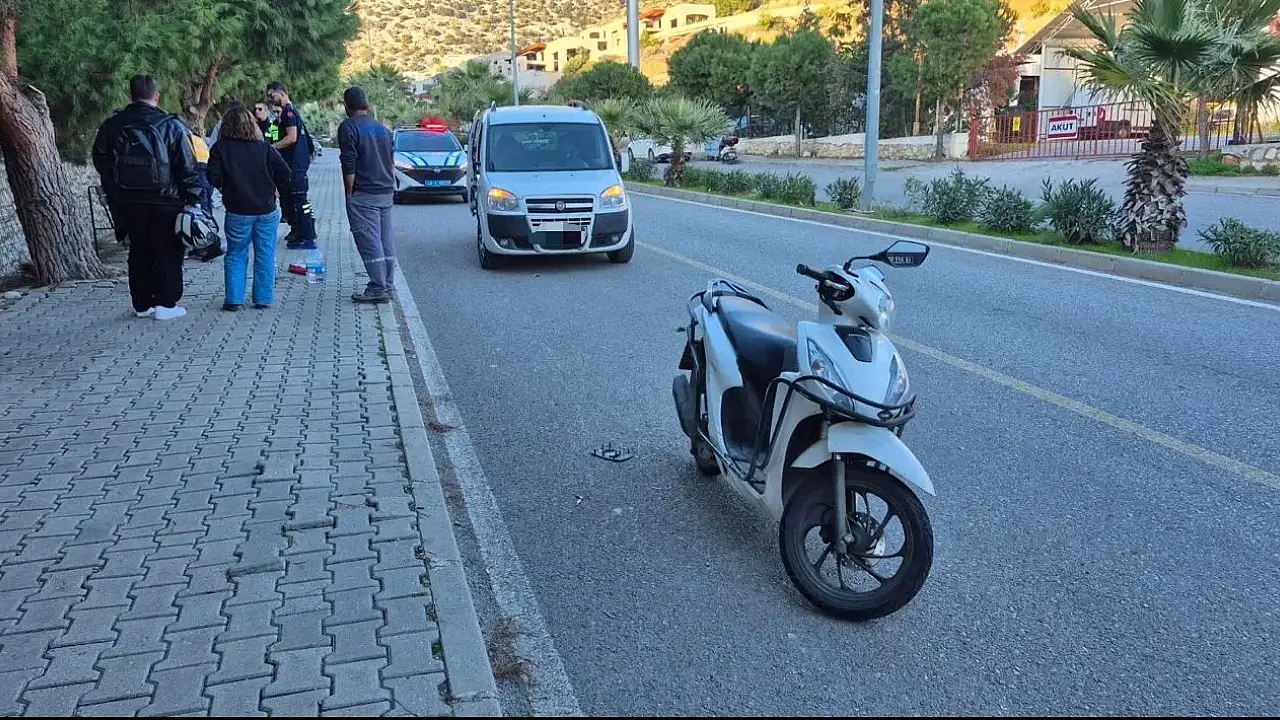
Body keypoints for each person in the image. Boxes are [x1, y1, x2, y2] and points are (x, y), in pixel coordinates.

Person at [91, 74, 201, 321]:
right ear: (156, 96)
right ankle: (166, 304)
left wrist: (118, 188)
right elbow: (187, 165)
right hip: (167, 200)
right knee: (169, 251)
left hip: (129, 201)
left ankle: (142, 304)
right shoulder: (171, 125)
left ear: (131, 95)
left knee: (138, 251)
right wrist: (193, 198)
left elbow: (100, 159)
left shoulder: (113, 124)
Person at [207, 103, 292, 312]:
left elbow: (213, 177)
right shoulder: (265, 149)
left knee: (236, 253)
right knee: (265, 253)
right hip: (266, 209)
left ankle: (234, 299)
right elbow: (285, 173)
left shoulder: (220, 149)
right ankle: (263, 298)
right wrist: (273, 188)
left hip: (237, 208)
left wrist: (226, 186)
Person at [337, 86, 396, 304]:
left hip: (364, 193)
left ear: (347, 106)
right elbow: (391, 162)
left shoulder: (348, 127)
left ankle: (378, 287)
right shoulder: (383, 129)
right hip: (386, 191)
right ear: (366, 104)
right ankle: (388, 284)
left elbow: (349, 165)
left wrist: (349, 194)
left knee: (369, 240)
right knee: (385, 239)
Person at [266, 81, 317, 250]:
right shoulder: (288, 114)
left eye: (272, 95)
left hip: (295, 165)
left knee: (300, 200)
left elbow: (291, 137)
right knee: (291, 200)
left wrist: (272, 148)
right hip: (293, 164)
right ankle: (298, 230)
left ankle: (307, 237)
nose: (270, 99)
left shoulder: (289, 113)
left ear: (281, 93)